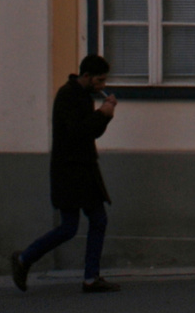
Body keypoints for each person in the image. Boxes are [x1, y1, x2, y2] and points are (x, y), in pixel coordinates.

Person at [12, 55, 120, 293]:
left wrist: (105, 116)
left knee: (96, 220)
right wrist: (103, 114)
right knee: (70, 227)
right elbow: (78, 131)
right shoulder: (68, 95)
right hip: (71, 172)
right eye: (99, 80)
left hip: (82, 169)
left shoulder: (82, 95)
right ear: (86, 76)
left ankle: (90, 278)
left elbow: (92, 132)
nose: (102, 85)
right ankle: (24, 258)